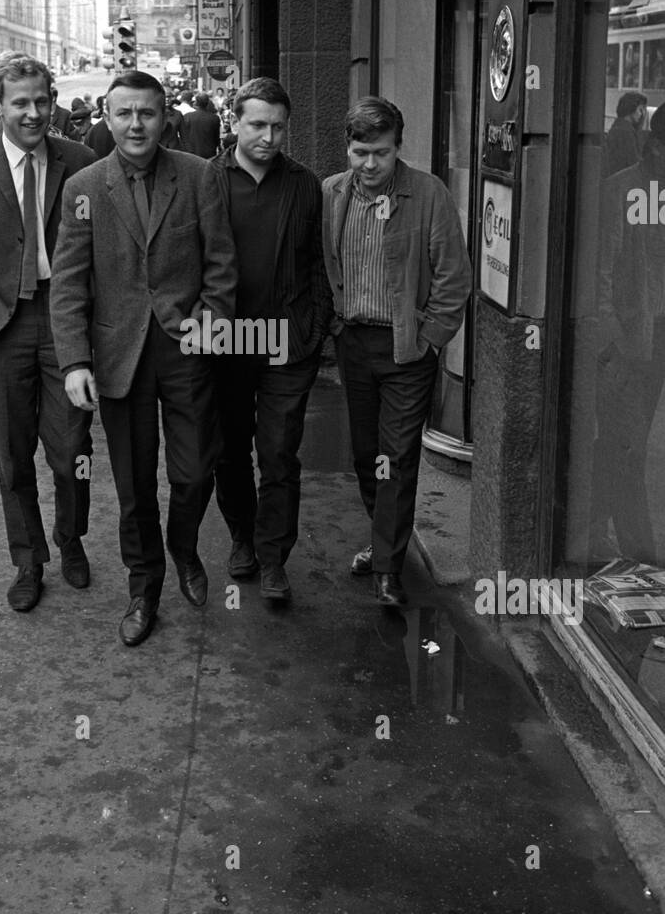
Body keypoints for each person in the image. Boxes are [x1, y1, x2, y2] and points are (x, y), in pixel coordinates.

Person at [50, 70, 237, 648]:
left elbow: (221, 267)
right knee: (133, 484)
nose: (136, 125)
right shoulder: (83, 187)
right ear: (107, 118)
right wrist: (76, 360)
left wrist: (208, 330)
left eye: (147, 113)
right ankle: (144, 585)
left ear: (166, 118)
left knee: (195, 469)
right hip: (117, 354)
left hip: (187, 349)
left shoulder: (200, 176)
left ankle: (184, 547)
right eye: (124, 113)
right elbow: (69, 283)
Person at [0, 53, 98, 613]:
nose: (33, 113)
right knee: (11, 455)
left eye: (41, 101)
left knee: (72, 446)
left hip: (67, 322)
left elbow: (103, 243)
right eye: (20, 103)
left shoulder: (80, 160)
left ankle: (70, 539)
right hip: (3, 328)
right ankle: (28, 560)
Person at [323, 96, 471, 607]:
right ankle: (384, 537)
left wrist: (430, 339)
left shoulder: (427, 193)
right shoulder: (332, 193)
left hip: (407, 347)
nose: (369, 164)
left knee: (398, 455)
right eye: (360, 151)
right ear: (348, 147)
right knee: (367, 457)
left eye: (380, 153)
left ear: (397, 148)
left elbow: (454, 276)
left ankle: (388, 565)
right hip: (354, 342)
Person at [209, 77, 333, 602]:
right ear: (234, 122)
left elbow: (318, 260)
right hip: (226, 341)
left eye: (278, 127)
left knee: (280, 453)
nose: (268, 137)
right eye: (257, 124)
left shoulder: (304, 183)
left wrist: (315, 325)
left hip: (287, 342)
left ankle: (275, 555)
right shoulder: (206, 180)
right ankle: (242, 537)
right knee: (230, 450)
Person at [591, 102, 665, 562]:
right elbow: (599, 276)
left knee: (621, 447)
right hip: (632, 345)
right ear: (655, 147)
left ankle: (585, 519)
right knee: (627, 450)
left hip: (655, 340)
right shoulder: (620, 192)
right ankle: (643, 560)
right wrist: (613, 344)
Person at [603, 91, 647, 180]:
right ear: (631, 108)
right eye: (640, 109)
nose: (642, 114)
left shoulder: (619, 128)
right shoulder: (625, 132)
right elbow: (634, 163)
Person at [182, 91, 221, 159]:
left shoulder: (187, 117)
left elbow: (184, 137)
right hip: (209, 154)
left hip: (192, 153)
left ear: (196, 103)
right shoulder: (214, 118)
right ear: (207, 103)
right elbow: (216, 138)